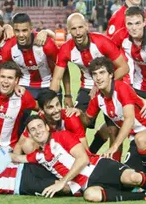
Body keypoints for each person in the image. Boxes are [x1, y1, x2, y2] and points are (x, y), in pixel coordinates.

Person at [50, 13, 129, 156]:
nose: (78, 32)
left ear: (87, 26)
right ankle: (85, 158)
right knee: (76, 120)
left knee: (113, 130)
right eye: (73, 29)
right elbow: (56, 79)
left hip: (109, 87)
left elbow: (124, 68)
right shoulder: (66, 49)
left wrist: (101, 85)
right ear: (68, 31)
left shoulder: (101, 42)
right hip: (86, 87)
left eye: (81, 27)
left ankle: (114, 167)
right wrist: (51, 101)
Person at [19, 115, 146, 202]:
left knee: (133, 178)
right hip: (87, 184)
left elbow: (83, 159)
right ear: (29, 134)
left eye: (40, 126)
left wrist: (63, 181)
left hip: (99, 166)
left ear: (47, 127)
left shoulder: (62, 136)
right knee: (91, 195)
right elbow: (15, 156)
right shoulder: (38, 156)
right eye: (33, 130)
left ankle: (138, 187)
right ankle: (141, 196)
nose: (37, 131)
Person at [67, 56, 146, 171]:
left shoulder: (122, 88)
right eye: (95, 74)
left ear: (111, 75)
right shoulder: (97, 97)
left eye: (102, 73)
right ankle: (91, 156)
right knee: (128, 174)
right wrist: (79, 112)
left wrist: (114, 146)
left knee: (140, 140)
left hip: (142, 134)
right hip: (134, 137)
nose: (98, 78)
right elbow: (88, 120)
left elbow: (129, 119)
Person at [0, 61, 37, 150]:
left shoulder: (23, 96)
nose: (5, 81)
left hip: (8, 149)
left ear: (16, 80)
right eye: (2, 77)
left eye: (10, 78)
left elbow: (41, 107)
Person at [15, 89, 87, 155]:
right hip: (50, 156)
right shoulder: (38, 121)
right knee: (27, 144)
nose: (56, 110)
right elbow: (20, 144)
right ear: (42, 111)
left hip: (71, 155)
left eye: (57, 104)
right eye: (50, 107)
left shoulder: (70, 118)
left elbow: (85, 150)